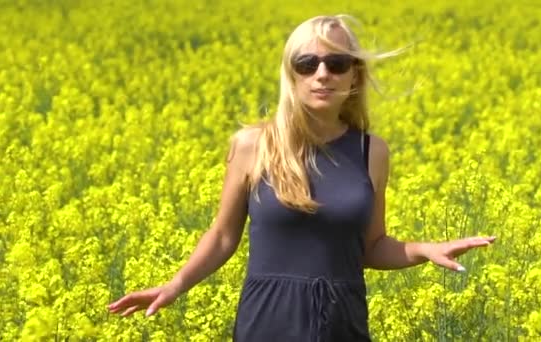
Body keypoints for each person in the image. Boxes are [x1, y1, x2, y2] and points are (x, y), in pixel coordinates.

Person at [107, 14, 496, 341]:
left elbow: (370, 247)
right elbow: (224, 236)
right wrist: (174, 287)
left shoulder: (372, 151)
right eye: (307, 64)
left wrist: (424, 250)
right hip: (269, 321)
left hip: (342, 322)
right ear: (292, 75)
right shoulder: (251, 145)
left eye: (337, 63)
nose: (322, 74)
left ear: (355, 76)